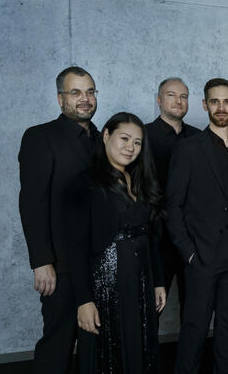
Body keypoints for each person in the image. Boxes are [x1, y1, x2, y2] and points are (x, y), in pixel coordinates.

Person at [165, 78, 228, 374]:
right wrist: (188, 252)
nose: (221, 107)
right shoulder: (189, 149)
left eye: (226, 101)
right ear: (204, 105)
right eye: (214, 101)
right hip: (202, 254)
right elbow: (173, 205)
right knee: (195, 326)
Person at [18, 66, 99, 373]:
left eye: (90, 92)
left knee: (95, 341)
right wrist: (41, 261)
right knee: (58, 343)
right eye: (76, 92)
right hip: (60, 265)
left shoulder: (103, 139)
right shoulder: (41, 137)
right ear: (60, 98)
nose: (85, 99)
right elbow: (32, 203)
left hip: (98, 262)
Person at [72, 112, 167, 373]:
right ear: (106, 135)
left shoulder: (142, 180)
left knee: (141, 347)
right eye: (125, 138)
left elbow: (153, 238)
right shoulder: (85, 182)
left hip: (141, 280)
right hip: (106, 283)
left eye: (137, 142)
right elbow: (76, 247)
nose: (131, 147)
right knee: (108, 354)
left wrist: (159, 280)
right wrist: (83, 300)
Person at [145, 77, 201, 321]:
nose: (179, 101)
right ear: (159, 99)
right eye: (171, 95)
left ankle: (191, 360)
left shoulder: (200, 138)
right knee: (150, 311)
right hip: (155, 238)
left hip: (192, 238)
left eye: (184, 96)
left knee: (194, 309)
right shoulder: (142, 136)